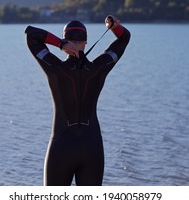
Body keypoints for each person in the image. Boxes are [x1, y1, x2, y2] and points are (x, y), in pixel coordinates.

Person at [24, 15, 130, 186]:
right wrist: (115, 27)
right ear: (86, 42)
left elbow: (31, 35)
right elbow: (124, 39)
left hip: (61, 147)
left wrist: (60, 44)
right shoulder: (99, 68)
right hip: (92, 147)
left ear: (66, 40)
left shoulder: (55, 68)